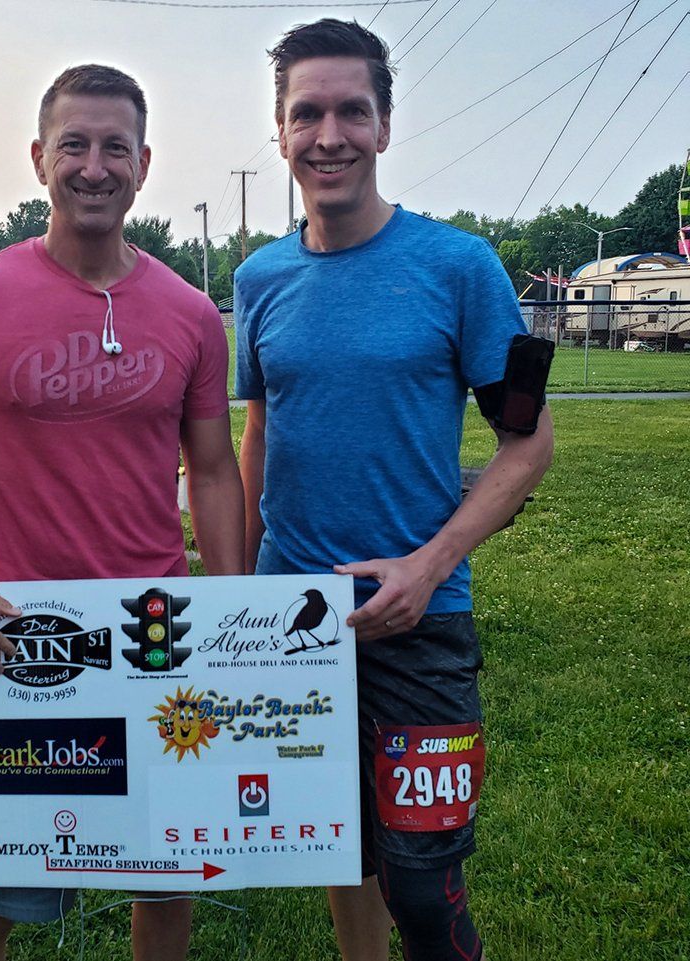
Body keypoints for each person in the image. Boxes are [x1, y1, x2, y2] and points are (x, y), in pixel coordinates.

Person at [0, 63, 244, 961]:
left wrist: (238, 615)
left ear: (144, 163)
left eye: (114, 147)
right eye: (74, 145)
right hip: (21, 635)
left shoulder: (194, 314)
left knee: (166, 875)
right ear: (40, 157)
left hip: (154, 631)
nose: (94, 165)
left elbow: (210, 468)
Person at [235, 20, 554, 961]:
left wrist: (428, 564)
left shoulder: (458, 268)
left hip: (421, 617)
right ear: (280, 129)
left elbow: (525, 449)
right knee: (342, 846)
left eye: (349, 111)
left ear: (382, 124)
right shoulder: (259, 278)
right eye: (307, 113)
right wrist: (244, 585)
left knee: (423, 877)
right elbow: (260, 430)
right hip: (296, 620)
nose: (327, 134)